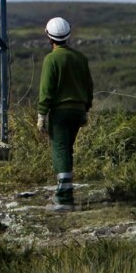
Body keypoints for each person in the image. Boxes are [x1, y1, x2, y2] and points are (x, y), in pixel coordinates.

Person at [36, 16, 93, 212]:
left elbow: (46, 90)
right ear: (68, 35)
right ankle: (65, 194)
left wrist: (42, 115)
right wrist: (86, 109)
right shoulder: (80, 58)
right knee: (67, 149)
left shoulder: (51, 59)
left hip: (60, 112)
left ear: (48, 37)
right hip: (78, 110)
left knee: (59, 149)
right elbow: (88, 86)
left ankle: (63, 199)